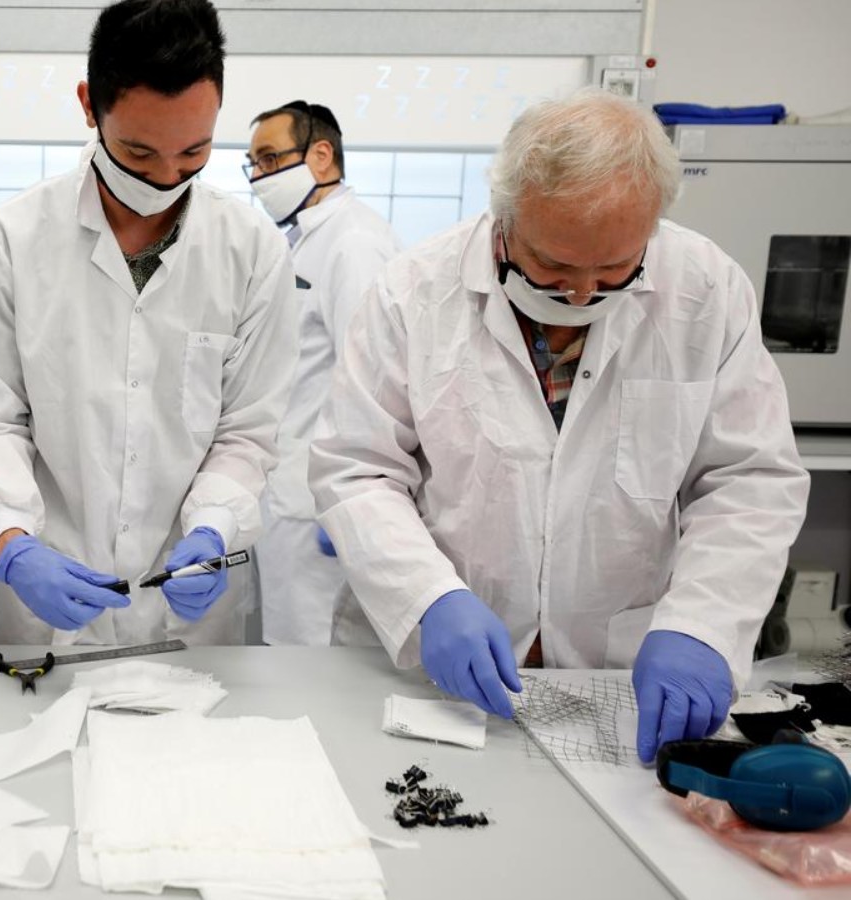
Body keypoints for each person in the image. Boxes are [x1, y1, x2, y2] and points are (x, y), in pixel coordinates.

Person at [309, 88, 809, 763]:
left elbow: (748, 479)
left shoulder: (706, 292)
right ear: (505, 215)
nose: (580, 293)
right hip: (430, 676)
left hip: (615, 675)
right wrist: (428, 599)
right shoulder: (413, 293)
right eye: (553, 265)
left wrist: (702, 624)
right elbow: (357, 467)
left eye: (614, 269)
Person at [0, 0, 297, 645]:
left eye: (193, 152)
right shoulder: (13, 241)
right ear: (90, 105)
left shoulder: (251, 250)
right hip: (50, 606)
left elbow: (247, 432)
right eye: (139, 153)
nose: (166, 178)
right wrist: (12, 542)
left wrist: (214, 527)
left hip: (189, 619)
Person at [244, 100, 400, 646]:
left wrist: (347, 503)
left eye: (269, 159)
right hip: (289, 486)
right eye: (253, 164)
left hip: (319, 500)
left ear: (321, 155)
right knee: (287, 642)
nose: (259, 177)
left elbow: (374, 380)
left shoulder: (354, 243)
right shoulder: (306, 239)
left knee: (311, 651)